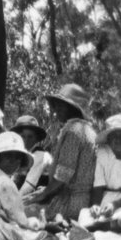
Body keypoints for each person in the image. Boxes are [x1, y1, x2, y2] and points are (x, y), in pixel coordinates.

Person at [29, 84, 97, 220]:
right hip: (81, 201)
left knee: (23, 211)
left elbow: (63, 174)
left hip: (70, 203)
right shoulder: (88, 130)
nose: (56, 111)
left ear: (72, 108)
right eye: (57, 105)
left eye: (61, 106)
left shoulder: (74, 131)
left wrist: (45, 193)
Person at [10, 115, 53, 197]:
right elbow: (14, 178)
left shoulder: (40, 155)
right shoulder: (20, 154)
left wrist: (14, 202)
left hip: (43, 196)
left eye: (30, 137)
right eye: (22, 136)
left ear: (36, 139)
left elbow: (29, 185)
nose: (26, 140)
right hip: (28, 194)